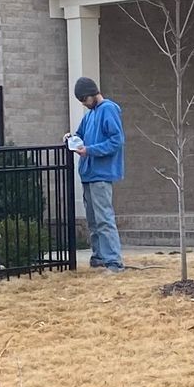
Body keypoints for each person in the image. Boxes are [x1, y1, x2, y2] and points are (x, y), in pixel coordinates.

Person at [69, 74, 125, 270]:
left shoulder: (108, 109)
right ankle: (99, 256)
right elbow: (80, 135)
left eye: (84, 99)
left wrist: (90, 150)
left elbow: (116, 141)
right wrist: (71, 139)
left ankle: (114, 262)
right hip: (88, 173)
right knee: (93, 220)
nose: (83, 104)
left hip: (102, 173)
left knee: (104, 219)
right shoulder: (90, 115)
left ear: (91, 94)